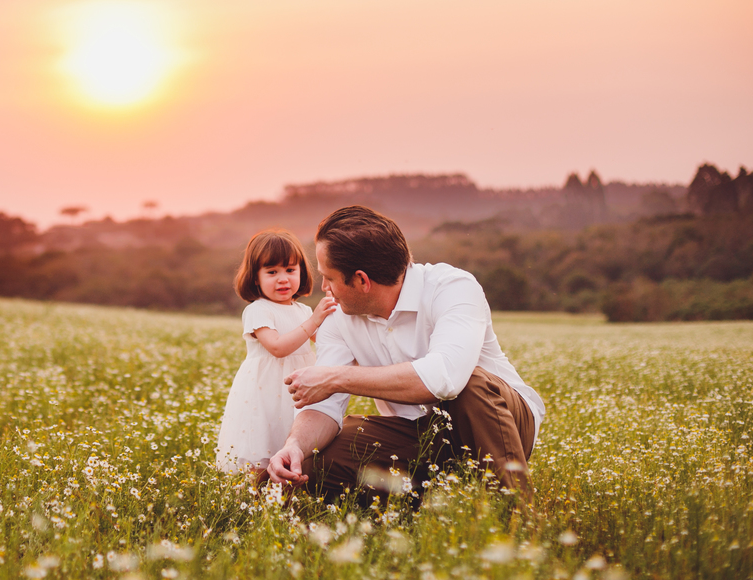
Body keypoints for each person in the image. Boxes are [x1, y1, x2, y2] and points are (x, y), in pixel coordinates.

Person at [266, 206, 545, 502]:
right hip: (415, 434)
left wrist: (336, 378)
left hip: (498, 423)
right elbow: (325, 406)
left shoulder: (452, 287)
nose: (324, 288)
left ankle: (515, 514)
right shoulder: (337, 317)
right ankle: (421, 506)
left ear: (362, 280)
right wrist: (295, 445)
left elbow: (445, 380)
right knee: (314, 462)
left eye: (329, 278)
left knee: (471, 385)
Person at [215, 229, 337, 475]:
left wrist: (336, 312)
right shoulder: (258, 310)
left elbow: (325, 342)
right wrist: (314, 320)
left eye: (290, 270)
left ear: (302, 272)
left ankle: (286, 503)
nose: (283, 279)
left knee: (294, 445)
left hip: (297, 388)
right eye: (272, 272)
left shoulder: (302, 310)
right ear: (255, 278)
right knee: (262, 449)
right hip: (266, 391)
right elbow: (278, 347)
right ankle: (253, 504)